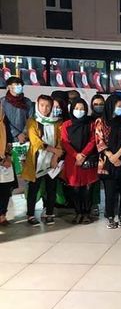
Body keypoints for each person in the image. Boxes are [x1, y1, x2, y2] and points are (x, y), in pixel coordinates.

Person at [95, 95, 121, 229]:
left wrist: (117, 155)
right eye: (118, 106)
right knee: (110, 192)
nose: (120, 109)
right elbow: (99, 141)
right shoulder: (100, 122)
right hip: (107, 163)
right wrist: (111, 156)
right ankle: (111, 217)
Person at [22, 95, 63, 226]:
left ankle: (49, 213)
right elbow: (36, 141)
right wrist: (54, 150)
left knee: (51, 188)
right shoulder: (32, 121)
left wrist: (55, 157)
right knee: (33, 189)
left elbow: (60, 141)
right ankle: (30, 214)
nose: (45, 108)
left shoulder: (57, 122)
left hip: (52, 161)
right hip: (37, 161)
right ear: (37, 105)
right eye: (42, 105)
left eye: (48, 106)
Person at [60, 99, 98, 224]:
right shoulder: (66, 125)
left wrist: (83, 154)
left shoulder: (90, 124)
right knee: (75, 189)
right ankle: (78, 212)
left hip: (88, 160)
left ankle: (87, 213)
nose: (79, 111)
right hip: (73, 161)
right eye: (76, 108)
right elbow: (65, 142)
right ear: (72, 109)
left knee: (88, 189)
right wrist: (76, 155)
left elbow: (93, 140)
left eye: (82, 109)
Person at [0, 103, 18, 229]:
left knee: (5, 191)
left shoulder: (4, 124)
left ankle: (2, 215)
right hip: (2, 162)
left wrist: (8, 156)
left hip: (5, 162)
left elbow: (9, 142)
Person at [1, 76, 33, 143]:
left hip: (25, 138)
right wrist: (17, 134)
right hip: (7, 138)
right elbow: (3, 121)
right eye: (17, 84)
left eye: (21, 84)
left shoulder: (27, 102)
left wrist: (24, 133)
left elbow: (31, 119)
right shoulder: (2, 102)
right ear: (9, 87)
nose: (19, 86)